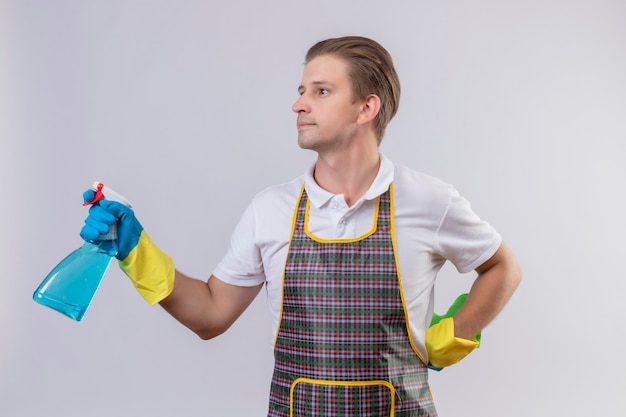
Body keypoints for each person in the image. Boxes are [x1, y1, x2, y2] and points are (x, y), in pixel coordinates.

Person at [81, 36, 522, 416]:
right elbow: (212, 314)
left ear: (366, 107)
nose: (298, 103)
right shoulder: (270, 209)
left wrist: (455, 335)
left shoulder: (428, 200)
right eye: (301, 90)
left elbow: (503, 267)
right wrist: (135, 250)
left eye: (322, 91)